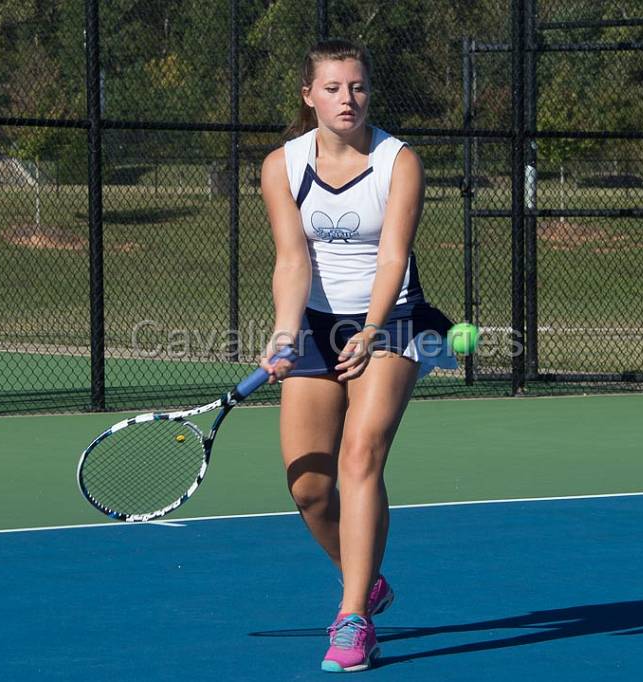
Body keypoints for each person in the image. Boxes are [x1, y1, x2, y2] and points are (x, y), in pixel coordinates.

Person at [257, 38, 456, 672]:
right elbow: (292, 259)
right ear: (309, 95)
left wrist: (371, 330)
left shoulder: (400, 162)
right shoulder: (281, 165)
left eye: (359, 87)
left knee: (359, 456)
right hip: (315, 322)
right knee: (309, 487)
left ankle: (352, 621)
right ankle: (364, 578)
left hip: (392, 319)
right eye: (335, 88)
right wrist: (286, 333)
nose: (348, 99)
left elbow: (393, 258)